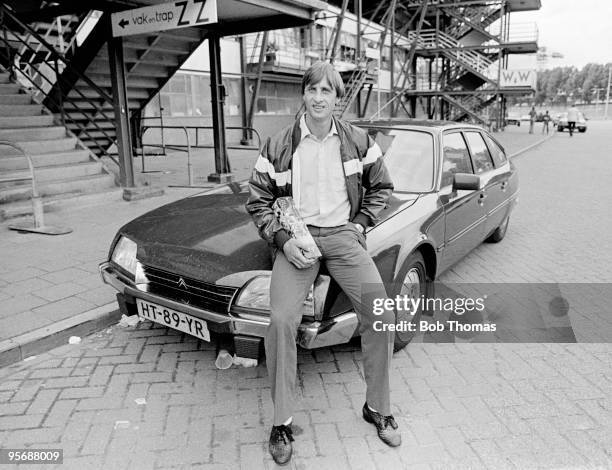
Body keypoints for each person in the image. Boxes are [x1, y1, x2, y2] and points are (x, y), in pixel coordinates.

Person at [246, 61, 399, 465]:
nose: (318, 98)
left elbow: (381, 186)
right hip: (297, 239)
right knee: (280, 321)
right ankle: (282, 420)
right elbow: (258, 199)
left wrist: (360, 225)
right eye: (312, 90)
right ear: (304, 95)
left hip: (342, 234)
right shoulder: (279, 144)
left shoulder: (359, 141)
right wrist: (281, 239)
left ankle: (377, 407)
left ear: (337, 98)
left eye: (326, 91)